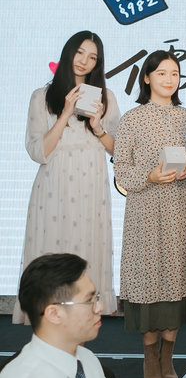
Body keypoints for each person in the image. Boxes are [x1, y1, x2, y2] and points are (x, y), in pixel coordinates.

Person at [114, 50, 186, 378]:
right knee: (149, 279)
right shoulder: (132, 119)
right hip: (145, 211)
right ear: (147, 77)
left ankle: (168, 356)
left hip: (181, 208)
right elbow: (121, 169)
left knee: (177, 278)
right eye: (162, 73)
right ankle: (150, 356)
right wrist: (149, 176)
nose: (169, 79)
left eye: (174, 73)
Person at [14, 31, 119, 323]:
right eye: (80, 52)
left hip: (92, 184)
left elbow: (118, 150)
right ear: (68, 52)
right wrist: (64, 114)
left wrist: (98, 127)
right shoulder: (42, 96)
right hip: (54, 186)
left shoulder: (106, 98)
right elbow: (38, 151)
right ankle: (49, 328)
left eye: (92, 57)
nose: (84, 61)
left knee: (87, 252)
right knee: (52, 251)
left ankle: (81, 331)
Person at [0, 253, 146, 378]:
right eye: (89, 301)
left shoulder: (86, 360)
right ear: (54, 314)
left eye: (96, 297)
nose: (100, 307)